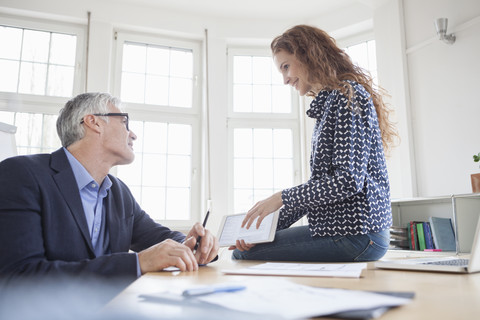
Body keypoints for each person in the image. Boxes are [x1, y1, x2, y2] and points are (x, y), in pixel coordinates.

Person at [0, 92, 219, 282]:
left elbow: (156, 236)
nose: (133, 134)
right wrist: (137, 263)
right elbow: (20, 276)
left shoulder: (118, 191)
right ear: (93, 122)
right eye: (125, 122)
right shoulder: (21, 175)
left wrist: (192, 244)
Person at [231, 25, 398, 262]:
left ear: (308, 55)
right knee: (247, 248)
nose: (285, 79)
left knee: (242, 254)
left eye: (286, 67)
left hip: (357, 235)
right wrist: (264, 229)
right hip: (349, 233)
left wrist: (281, 197)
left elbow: (349, 180)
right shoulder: (330, 103)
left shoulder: (347, 96)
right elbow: (319, 189)